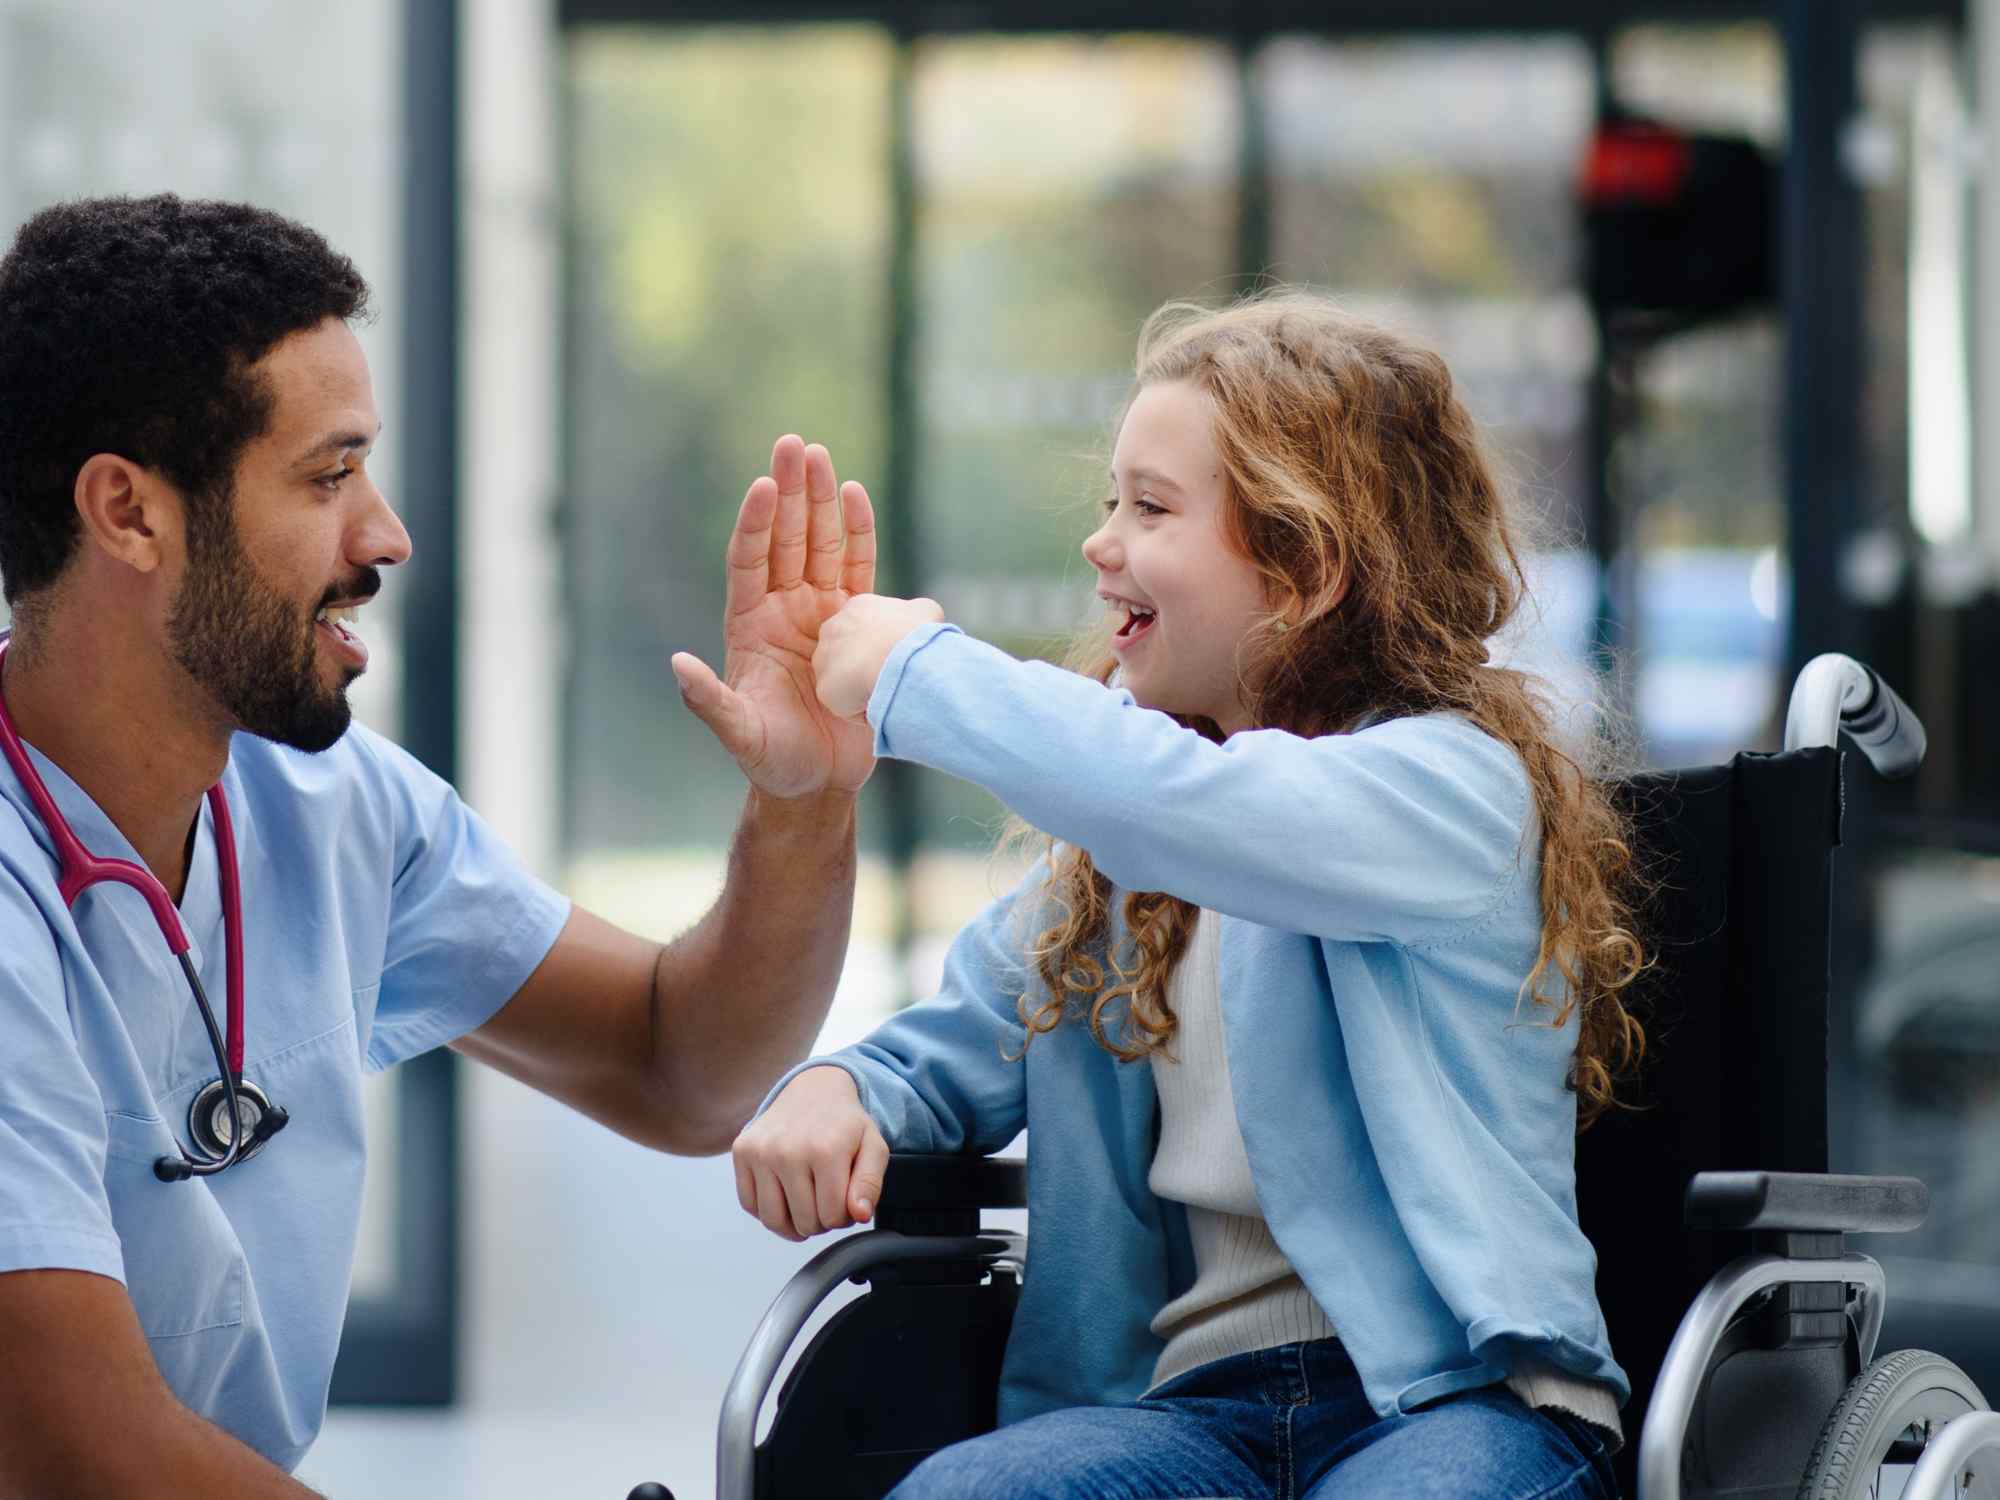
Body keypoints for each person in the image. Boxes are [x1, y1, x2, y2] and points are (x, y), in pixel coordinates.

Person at [0, 194, 876, 1495]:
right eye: (329, 474)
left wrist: (802, 799)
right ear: (130, 513)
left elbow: (683, 1067)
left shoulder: (332, 808)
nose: (387, 536)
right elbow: (82, 1458)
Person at [733, 292, 1648, 1499]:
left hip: (1450, 1405)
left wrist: (916, 673)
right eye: (1108, 500)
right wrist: (836, 1086)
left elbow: (1207, 813)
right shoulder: (1119, 869)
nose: (1099, 542)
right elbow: (951, 1044)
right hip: (1188, 1419)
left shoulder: (1448, 789)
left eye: (1150, 508)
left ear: (1309, 562)